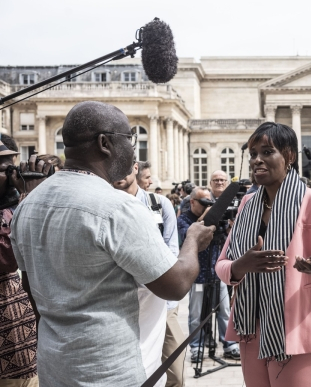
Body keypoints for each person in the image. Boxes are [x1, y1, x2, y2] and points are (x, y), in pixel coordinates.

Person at [10, 101, 216, 386]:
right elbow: (175, 286)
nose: (133, 149)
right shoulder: (118, 207)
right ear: (105, 143)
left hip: (56, 366)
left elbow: (32, 289)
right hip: (109, 370)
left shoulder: (28, 205)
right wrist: (192, 240)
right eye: (129, 139)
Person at [215, 122, 311, 387]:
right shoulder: (247, 204)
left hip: (298, 329)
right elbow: (222, 265)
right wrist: (241, 266)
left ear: (290, 157)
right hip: (251, 326)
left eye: (266, 151)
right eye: (252, 154)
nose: (257, 160)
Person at [113, 161, 183, 387]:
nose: (117, 172)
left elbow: (172, 250)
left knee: (175, 373)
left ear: (134, 167)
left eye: (122, 166)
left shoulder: (160, 205)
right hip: (122, 307)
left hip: (162, 300)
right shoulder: (108, 206)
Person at [0, 135, 52, 387]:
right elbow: (9, 256)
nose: (11, 174)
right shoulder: (17, 207)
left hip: (21, 337)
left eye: (12, 166)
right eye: (3, 169)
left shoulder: (14, 206)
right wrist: (28, 199)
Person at [179, 187, 240, 363]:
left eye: (210, 202)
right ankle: (197, 348)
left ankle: (230, 345)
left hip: (216, 272)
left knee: (224, 311)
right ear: (192, 202)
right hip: (196, 274)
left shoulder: (218, 218)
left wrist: (229, 229)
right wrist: (207, 216)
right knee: (196, 315)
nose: (209, 206)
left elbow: (229, 240)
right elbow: (187, 238)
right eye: (204, 202)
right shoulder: (184, 218)